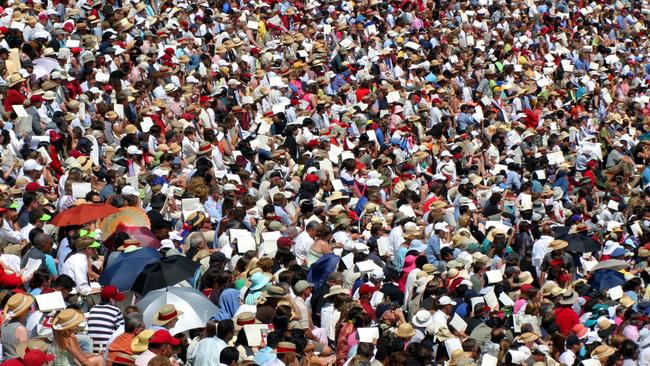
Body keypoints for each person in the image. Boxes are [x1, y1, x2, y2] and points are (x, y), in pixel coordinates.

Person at [87, 286, 125, 353]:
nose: (117, 302)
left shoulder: (93, 309)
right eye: (116, 300)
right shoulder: (116, 310)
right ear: (111, 300)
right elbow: (123, 330)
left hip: (91, 348)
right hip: (107, 349)